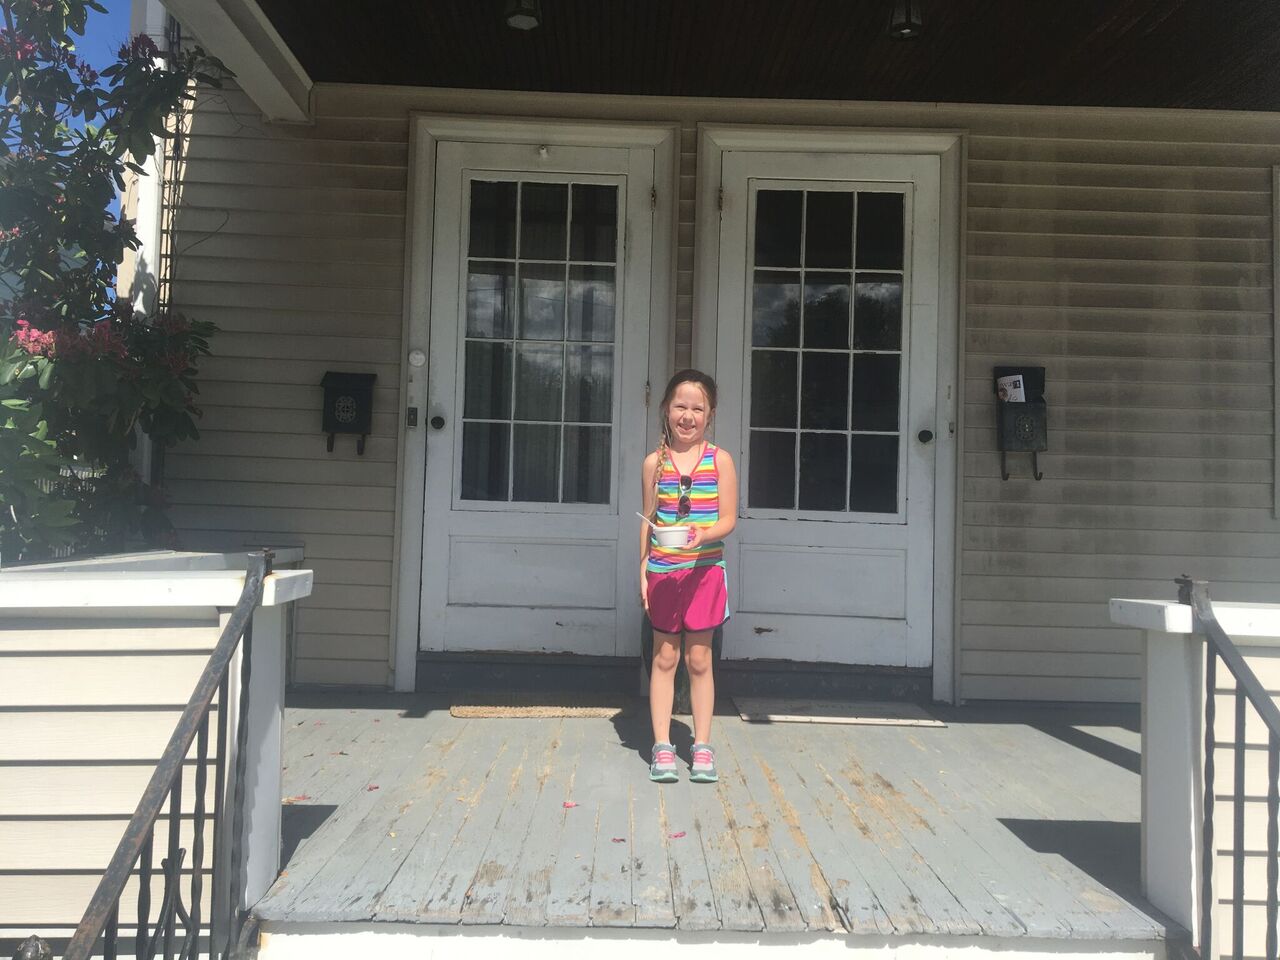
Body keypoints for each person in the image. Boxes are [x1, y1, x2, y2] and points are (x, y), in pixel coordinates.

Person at [639, 369, 738, 783]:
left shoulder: (720, 460)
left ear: (709, 415)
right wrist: (642, 569)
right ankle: (662, 745)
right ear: (666, 409)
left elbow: (728, 519)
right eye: (680, 406)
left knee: (699, 659)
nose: (688, 415)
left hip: (704, 573)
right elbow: (648, 520)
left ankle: (702, 746)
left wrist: (704, 533)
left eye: (698, 408)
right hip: (663, 573)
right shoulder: (654, 463)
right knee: (664, 657)